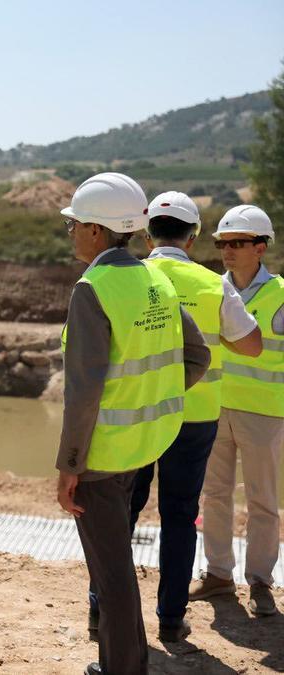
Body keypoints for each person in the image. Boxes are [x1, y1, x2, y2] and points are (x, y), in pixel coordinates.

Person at [56, 173, 210, 674]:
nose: (72, 233)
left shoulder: (92, 289)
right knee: (116, 567)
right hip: (146, 443)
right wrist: (152, 398)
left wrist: (69, 467)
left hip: (102, 455)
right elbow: (197, 356)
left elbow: (83, 394)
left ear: (96, 230)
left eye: (75, 225)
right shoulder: (156, 280)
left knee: (112, 575)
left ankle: (123, 667)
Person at [100, 191, 262, 644]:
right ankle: (171, 620)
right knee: (179, 516)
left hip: (135, 415)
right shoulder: (213, 285)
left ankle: (102, 612)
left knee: (122, 512)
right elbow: (251, 345)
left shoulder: (128, 279)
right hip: (194, 419)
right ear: (192, 239)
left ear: (146, 235)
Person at [190, 205, 284, 617]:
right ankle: (218, 574)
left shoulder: (281, 294)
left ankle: (260, 581)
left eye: (237, 243)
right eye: (222, 243)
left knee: (263, 500)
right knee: (214, 495)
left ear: (260, 248)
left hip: (265, 413)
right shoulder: (213, 291)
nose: (227, 250)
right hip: (215, 407)